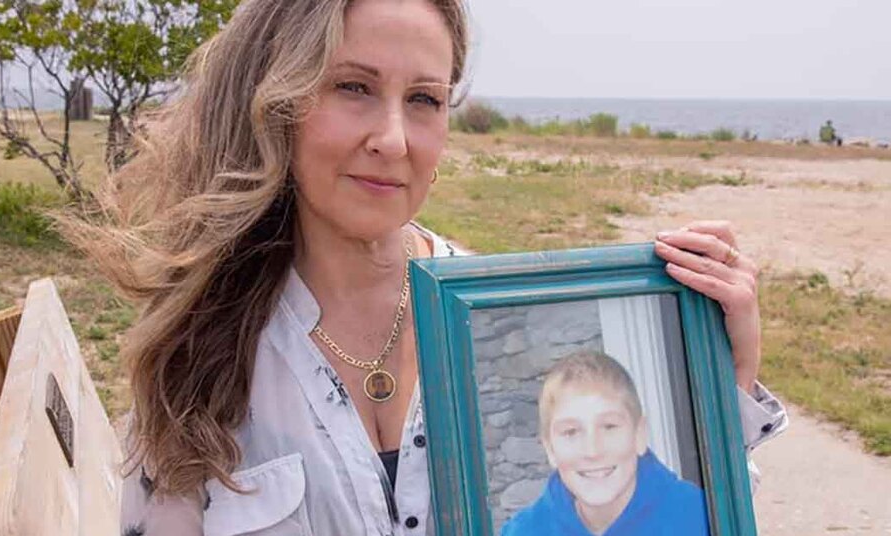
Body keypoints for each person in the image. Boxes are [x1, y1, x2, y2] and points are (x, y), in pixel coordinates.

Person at [61, 0, 788, 534]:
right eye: (353, 87)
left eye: (423, 100)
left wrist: (718, 390)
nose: (393, 139)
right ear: (272, 103)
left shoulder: (517, 325)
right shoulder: (200, 355)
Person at [501, 351, 709, 536]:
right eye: (571, 432)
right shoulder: (523, 531)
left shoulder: (702, 517)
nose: (592, 450)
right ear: (550, 449)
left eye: (609, 427)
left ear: (639, 435)